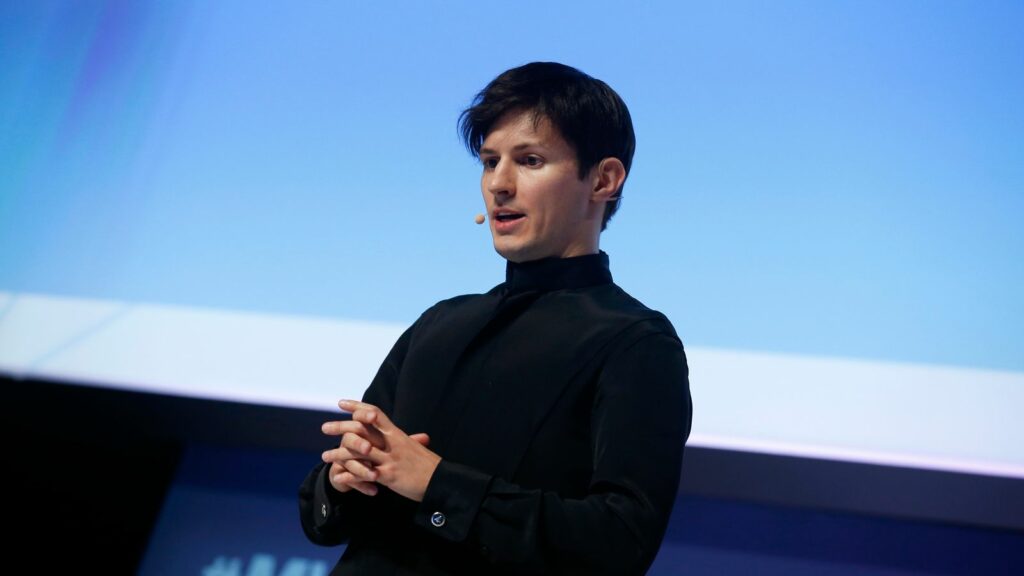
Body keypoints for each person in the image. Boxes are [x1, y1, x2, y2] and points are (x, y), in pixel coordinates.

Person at [299, 61, 692, 576]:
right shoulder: (439, 323)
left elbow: (619, 542)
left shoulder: (635, 343)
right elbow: (320, 519)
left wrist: (437, 485)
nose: (499, 184)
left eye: (529, 160)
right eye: (489, 161)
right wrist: (344, 478)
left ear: (604, 179)